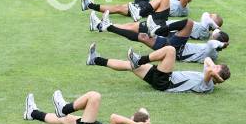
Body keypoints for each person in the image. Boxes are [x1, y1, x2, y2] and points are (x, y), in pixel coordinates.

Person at [89, 11, 229, 63]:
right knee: (142, 36)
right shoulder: (212, 49)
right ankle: (105, 26)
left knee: (189, 23)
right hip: (173, 45)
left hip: (177, 50)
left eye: (214, 35)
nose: (211, 35)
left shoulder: (213, 52)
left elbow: (213, 44)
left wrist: (221, 42)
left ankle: (158, 29)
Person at [86, 43, 231, 93]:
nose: (214, 66)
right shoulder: (210, 76)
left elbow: (210, 69)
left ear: (217, 76)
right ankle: (95, 60)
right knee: (128, 65)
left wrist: (216, 76)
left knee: (170, 50)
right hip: (163, 79)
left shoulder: (208, 84)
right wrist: (215, 69)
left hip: (166, 82)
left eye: (217, 68)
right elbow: (207, 59)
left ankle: (140, 59)